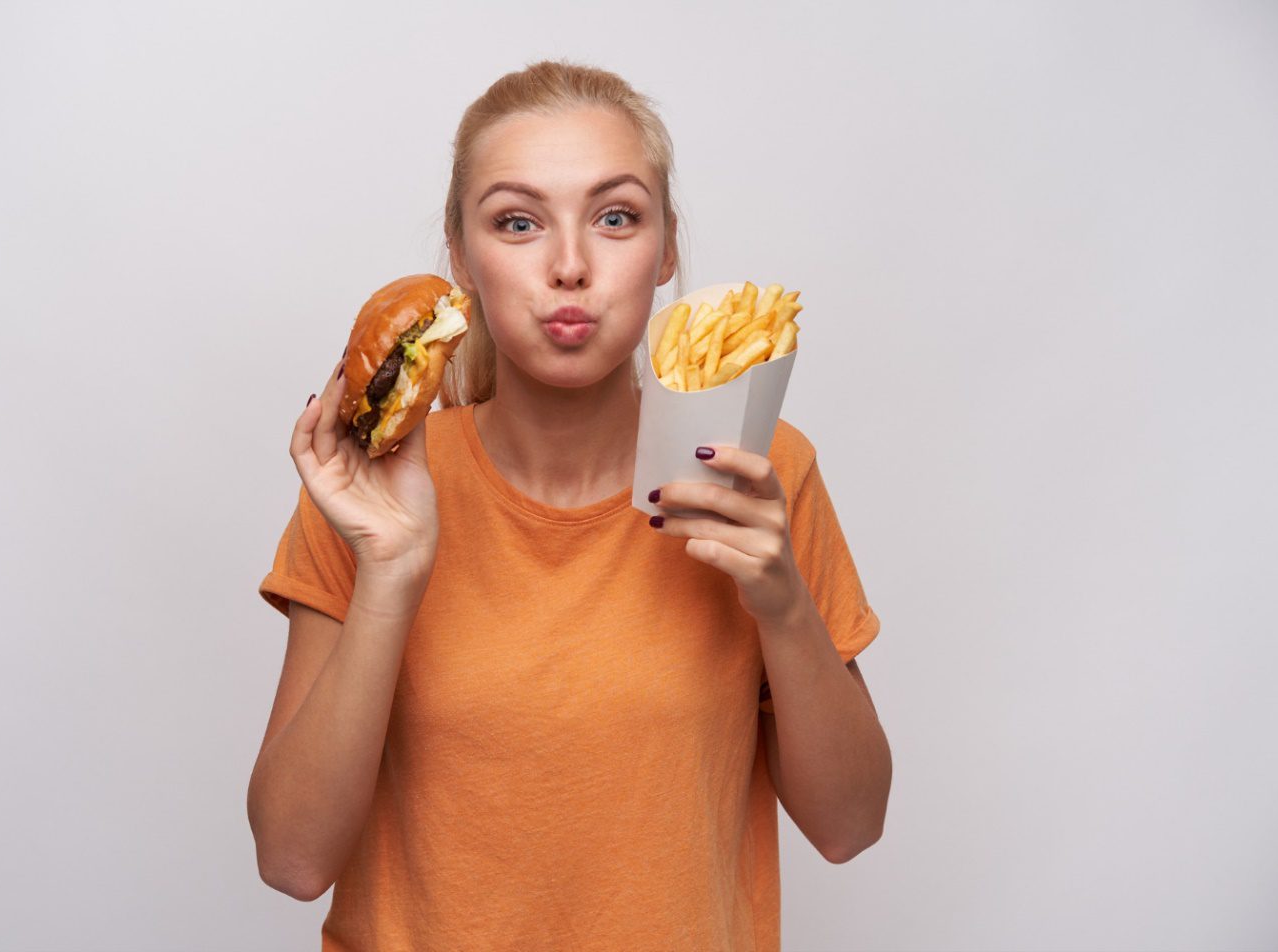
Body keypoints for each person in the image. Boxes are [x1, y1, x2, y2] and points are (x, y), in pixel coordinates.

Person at [247, 59, 891, 952]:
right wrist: (391, 573)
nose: (569, 266)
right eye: (517, 222)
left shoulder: (756, 468)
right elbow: (290, 858)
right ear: (461, 254)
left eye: (615, 217)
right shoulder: (374, 484)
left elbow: (849, 826)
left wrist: (782, 606)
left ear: (666, 248)